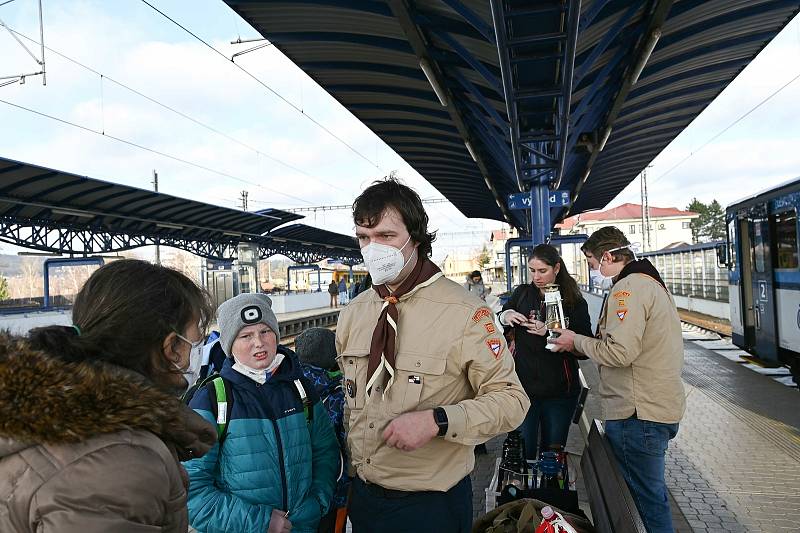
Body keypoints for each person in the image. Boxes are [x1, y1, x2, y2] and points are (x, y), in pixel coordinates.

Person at [336, 178, 529, 533]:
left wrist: (438, 421)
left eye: (386, 236)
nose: (372, 249)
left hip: (429, 507)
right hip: (362, 498)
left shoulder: (466, 313)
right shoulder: (355, 313)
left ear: (417, 238)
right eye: (364, 237)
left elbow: (512, 401)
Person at [0, 259, 217, 533]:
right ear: (171, 346)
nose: (192, 357)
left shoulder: (46, 408)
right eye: (195, 342)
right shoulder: (121, 460)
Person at [551, 226, 685, 533]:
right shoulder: (651, 283)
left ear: (608, 256)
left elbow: (620, 353)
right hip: (655, 408)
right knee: (651, 498)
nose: (592, 271)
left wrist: (576, 341)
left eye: (591, 263)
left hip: (636, 413)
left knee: (643, 505)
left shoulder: (628, 289)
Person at [184, 293, 339, 533]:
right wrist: (259, 522)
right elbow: (192, 491)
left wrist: (316, 503)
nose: (259, 342)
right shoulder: (213, 399)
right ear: (229, 345)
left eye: (265, 332)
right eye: (245, 336)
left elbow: (325, 452)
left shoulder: (299, 389)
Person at [498, 244, 592, 460]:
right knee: (521, 452)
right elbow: (500, 322)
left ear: (556, 268)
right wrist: (506, 316)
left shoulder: (573, 302)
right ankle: (523, 494)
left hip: (560, 392)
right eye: (532, 270)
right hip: (523, 389)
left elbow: (585, 346)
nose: (536, 277)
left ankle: (549, 493)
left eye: (542, 271)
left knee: (552, 456)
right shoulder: (522, 294)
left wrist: (551, 332)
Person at [295, 327, 351, 533]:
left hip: (296, 491)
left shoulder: (288, 388)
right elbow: (349, 444)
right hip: (334, 492)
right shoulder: (339, 396)